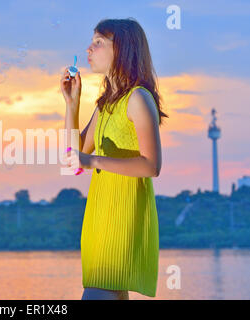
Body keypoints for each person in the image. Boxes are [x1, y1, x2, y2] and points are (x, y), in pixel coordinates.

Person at [61, 18, 169, 300]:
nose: (89, 48)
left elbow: (151, 166)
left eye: (98, 42)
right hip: (100, 216)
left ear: (121, 50)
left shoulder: (138, 99)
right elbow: (76, 151)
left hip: (122, 217)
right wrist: (72, 103)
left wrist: (93, 161)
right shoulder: (107, 104)